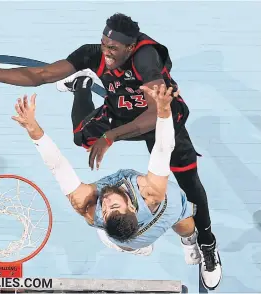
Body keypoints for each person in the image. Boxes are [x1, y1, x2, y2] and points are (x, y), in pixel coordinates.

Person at [0, 13, 221, 290]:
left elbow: (155, 114)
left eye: (113, 48)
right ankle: (80, 87)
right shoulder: (93, 54)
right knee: (82, 138)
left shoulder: (145, 58)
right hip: (120, 112)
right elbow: (40, 75)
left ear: (130, 47)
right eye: (104, 44)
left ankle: (207, 244)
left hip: (159, 118)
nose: (106, 52)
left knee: (189, 185)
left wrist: (110, 137)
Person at [11, 85, 203, 270]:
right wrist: (163, 111)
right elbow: (162, 149)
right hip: (168, 205)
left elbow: (58, 166)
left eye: (104, 211)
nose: (106, 201)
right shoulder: (150, 192)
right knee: (184, 220)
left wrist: (32, 128)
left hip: (144, 220)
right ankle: (186, 241)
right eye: (114, 206)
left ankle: (161, 244)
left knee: (121, 235)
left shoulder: (88, 208)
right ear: (130, 206)